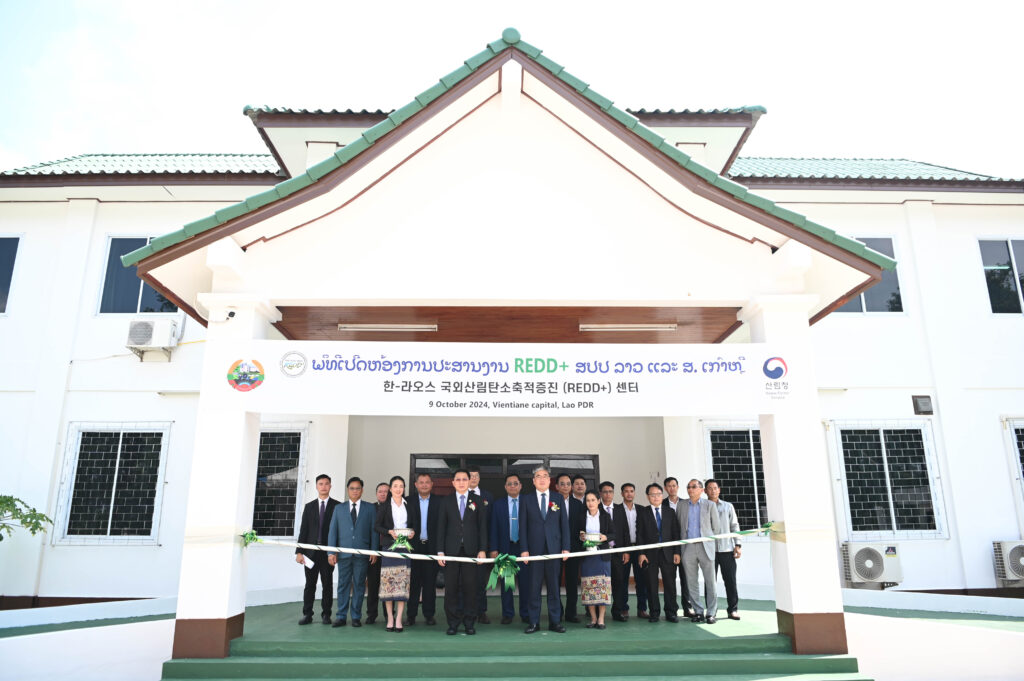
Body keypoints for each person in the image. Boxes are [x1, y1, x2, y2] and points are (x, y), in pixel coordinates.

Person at [437, 469, 488, 635]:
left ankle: (469, 622)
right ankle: (453, 623)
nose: (461, 482)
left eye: (464, 479)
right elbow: (441, 528)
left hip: (471, 551)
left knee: (470, 588)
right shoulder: (446, 501)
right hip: (451, 551)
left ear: (469, 481)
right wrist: (440, 551)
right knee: (451, 589)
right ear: (453, 482)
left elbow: (482, 528)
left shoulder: (478, 501)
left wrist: (482, 550)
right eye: (457, 479)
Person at [521, 465, 570, 633]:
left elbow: (564, 524)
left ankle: (555, 621)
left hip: (554, 549)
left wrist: (566, 547)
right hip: (533, 550)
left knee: (554, 587)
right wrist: (524, 549)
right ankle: (533, 621)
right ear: (534, 481)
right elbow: (523, 527)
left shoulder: (558, 498)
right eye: (538, 476)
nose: (542, 479)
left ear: (550, 480)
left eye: (545, 476)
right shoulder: (526, 499)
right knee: (533, 587)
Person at [327, 476, 378, 627]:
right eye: (352, 488)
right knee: (343, 584)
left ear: (362, 490)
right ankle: (341, 616)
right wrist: (331, 552)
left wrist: (374, 551)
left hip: (362, 554)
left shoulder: (370, 508)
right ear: (348, 490)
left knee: (359, 585)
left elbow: (373, 532)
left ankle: (356, 616)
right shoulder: (339, 509)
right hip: (343, 554)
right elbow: (332, 532)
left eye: (358, 488)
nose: (355, 491)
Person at [374, 475, 420, 632]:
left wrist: (413, 532)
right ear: (391, 489)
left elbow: (414, 525)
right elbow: (377, 526)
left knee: (402, 584)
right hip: (389, 548)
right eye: (395, 486)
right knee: (389, 584)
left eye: (401, 486)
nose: (398, 489)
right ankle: (390, 618)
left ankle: (399, 618)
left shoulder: (409, 505)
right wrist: (389, 532)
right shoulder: (385, 506)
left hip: (405, 548)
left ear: (404, 488)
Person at [677, 478, 724, 624]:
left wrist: (711, 543)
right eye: (688, 487)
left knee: (710, 581)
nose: (690, 489)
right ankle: (698, 611)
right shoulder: (682, 505)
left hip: (706, 547)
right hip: (688, 548)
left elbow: (716, 528)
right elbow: (679, 527)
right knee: (691, 582)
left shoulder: (709, 505)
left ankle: (711, 613)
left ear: (701, 490)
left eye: (693, 487)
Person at [296, 474, 339, 625]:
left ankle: (326, 614)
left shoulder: (337, 506)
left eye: (326, 484)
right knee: (310, 584)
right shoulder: (309, 507)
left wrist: (335, 552)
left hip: (328, 553)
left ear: (330, 486)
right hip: (310, 554)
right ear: (316, 486)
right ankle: (307, 614)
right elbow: (304, 531)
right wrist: (299, 552)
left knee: (327, 584)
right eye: (320, 484)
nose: (323, 486)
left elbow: (339, 532)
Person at [636, 482, 681, 622]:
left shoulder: (670, 512)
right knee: (651, 584)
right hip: (650, 555)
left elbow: (676, 533)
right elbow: (640, 535)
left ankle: (671, 612)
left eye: (658, 494)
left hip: (668, 553)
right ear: (647, 497)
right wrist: (641, 553)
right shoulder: (643, 513)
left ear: (662, 495)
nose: (656, 497)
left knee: (670, 584)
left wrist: (677, 552)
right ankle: (654, 612)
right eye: (652, 495)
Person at [489, 473, 530, 624]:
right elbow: (493, 527)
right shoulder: (498, 504)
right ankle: (508, 613)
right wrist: (493, 548)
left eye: (515, 483)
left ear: (520, 485)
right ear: (505, 487)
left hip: (523, 548)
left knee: (525, 582)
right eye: (509, 484)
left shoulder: (527, 502)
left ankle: (525, 613)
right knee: (507, 583)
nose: (512, 486)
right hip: (505, 548)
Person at [705, 478, 742, 620]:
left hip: (727, 550)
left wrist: (737, 545)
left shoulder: (728, 506)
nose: (713, 490)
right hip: (709, 551)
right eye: (710, 488)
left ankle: (732, 610)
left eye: (715, 488)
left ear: (719, 490)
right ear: (705, 491)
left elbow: (735, 526)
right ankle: (711, 611)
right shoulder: (703, 507)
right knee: (710, 582)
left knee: (730, 581)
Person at [408, 472, 441, 626]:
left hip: (431, 547)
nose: (424, 485)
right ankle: (411, 616)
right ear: (416, 485)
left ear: (431, 484)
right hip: (413, 547)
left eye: (427, 482)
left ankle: (429, 615)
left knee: (429, 584)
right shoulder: (408, 501)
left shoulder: (439, 502)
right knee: (413, 583)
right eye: (421, 482)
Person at [580, 490, 614, 629]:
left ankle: (601, 619)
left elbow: (613, 534)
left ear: (599, 501)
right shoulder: (581, 517)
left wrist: (605, 537)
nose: (590, 503)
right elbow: (576, 532)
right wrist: (581, 537)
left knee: (602, 587)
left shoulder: (605, 516)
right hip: (587, 556)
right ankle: (593, 618)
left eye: (593, 500)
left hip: (602, 556)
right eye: (588, 500)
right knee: (589, 588)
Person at [615, 482, 649, 620]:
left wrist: (642, 551)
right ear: (622, 493)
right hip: (624, 549)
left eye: (631, 491)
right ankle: (623, 608)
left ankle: (642, 609)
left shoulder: (642, 510)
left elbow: (644, 531)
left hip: (639, 548)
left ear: (634, 493)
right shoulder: (616, 509)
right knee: (622, 580)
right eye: (626, 491)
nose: (629, 493)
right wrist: (623, 549)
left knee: (642, 580)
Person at [555, 472, 585, 623]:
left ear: (571, 487)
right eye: (562, 484)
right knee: (555, 582)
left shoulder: (577, 504)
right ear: (556, 486)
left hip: (573, 548)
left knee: (572, 582)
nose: (565, 486)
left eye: (568, 484)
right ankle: (557, 612)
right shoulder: (551, 503)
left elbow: (581, 526)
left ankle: (571, 613)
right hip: (555, 548)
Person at [598, 481, 629, 622]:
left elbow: (625, 531)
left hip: (617, 551)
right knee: (600, 582)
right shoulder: (595, 508)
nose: (608, 494)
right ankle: (596, 611)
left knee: (619, 581)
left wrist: (626, 550)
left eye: (610, 491)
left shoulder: (619, 509)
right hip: (600, 551)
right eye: (605, 491)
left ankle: (617, 611)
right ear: (600, 493)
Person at [663, 476, 693, 617]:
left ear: (678, 487)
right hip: (668, 550)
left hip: (685, 547)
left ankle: (688, 607)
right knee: (669, 581)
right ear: (665, 488)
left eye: (674, 485)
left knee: (686, 579)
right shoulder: (661, 504)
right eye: (669, 486)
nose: (672, 488)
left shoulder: (687, 503)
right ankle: (672, 610)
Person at [467, 465, 493, 624]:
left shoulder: (488, 496)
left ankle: (481, 611)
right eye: (471, 476)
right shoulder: (460, 496)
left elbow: (490, 522)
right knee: (464, 580)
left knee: (480, 580)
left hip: (482, 545)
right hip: (464, 545)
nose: (473, 478)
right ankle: (465, 610)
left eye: (476, 476)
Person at [364, 482, 390, 625]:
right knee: (373, 584)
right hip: (374, 551)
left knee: (388, 584)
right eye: (380, 491)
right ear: (376, 493)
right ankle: (371, 614)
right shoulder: (370, 508)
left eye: (386, 491)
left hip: (389, 550)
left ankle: (388, 615)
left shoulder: (394, 508)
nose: (383, 494)